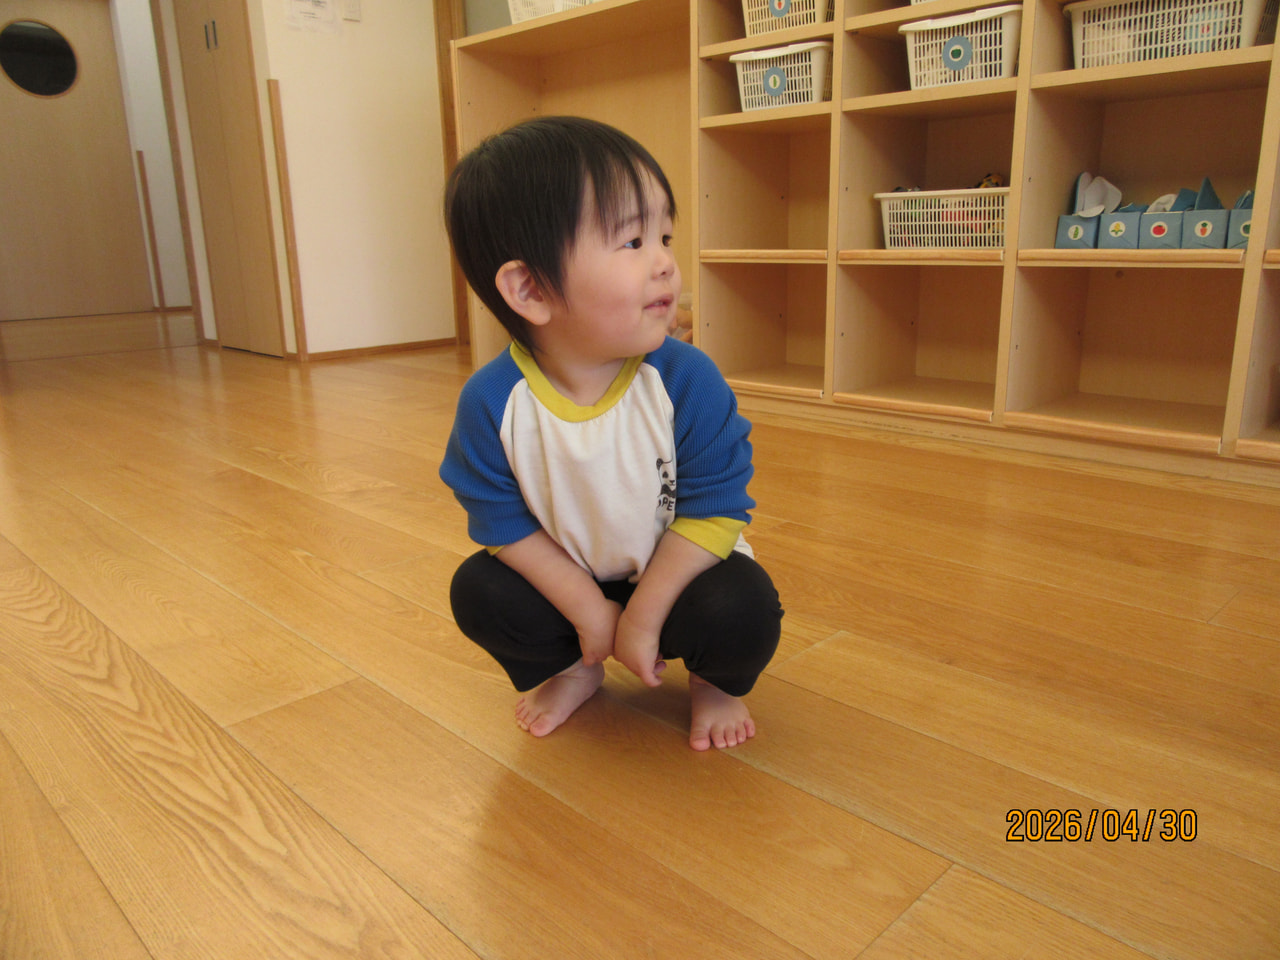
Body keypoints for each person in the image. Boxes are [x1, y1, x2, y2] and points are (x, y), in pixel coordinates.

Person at [439, 116, 783, 751]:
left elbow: (716, 509)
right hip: (571, 580)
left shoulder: (687, 380)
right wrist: (591, 614)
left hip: (683, 574)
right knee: (479, 592)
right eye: (632, 241)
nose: (665, 263)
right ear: (530, 288)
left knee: (742, 608)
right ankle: (574, 669)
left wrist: (643, 618)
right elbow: (500, 524)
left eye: (664, 236)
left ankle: (714, 682)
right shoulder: (491, 404)